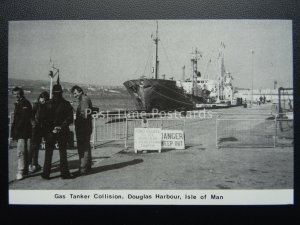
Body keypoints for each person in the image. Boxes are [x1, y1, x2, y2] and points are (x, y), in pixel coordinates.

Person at [41, 84, 73, 180]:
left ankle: (46, 174)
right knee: (63, 153)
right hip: (62, 131)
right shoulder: (66, 104)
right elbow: (70, 118)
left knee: (48, 153)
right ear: (61, 92)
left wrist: (49, 130)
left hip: (50, 132)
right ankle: (64, 173)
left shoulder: (47, 104)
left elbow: (43, 119)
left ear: (52, 93)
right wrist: (61, 126)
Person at [11, 87, 32, 180]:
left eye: (18, 94)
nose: (16, 95)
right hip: (23, 132)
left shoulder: (25, 103)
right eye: (14, 94)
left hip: (23, 132)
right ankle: (25, 170)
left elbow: (23, 119)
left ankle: (21, 171)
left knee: (21, 152)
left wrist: (15, 131)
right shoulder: (18, 103)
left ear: (22, 93)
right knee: (24, 151)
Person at [71, 85, 93, 175]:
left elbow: (84, 116)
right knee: (86, 147)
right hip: (86, 128)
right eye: (73, 94)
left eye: (75, 93)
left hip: (83, 128)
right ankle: (87, 167)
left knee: (83, 148)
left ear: (80, 92)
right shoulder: (84, 99)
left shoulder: (84, 100)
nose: (74, 95)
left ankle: (83, 169)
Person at [28, 91, 49, 173]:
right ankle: (28, 165)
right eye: (42, 98)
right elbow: (31, 116)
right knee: (32, 147)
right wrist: (34, 124)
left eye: (45, 98)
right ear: (39, 98)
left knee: (36, 147)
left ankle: (35, 164)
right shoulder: (36, 105)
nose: (43, 100)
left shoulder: (45, 106)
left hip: (40, 129)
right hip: (35, 129)